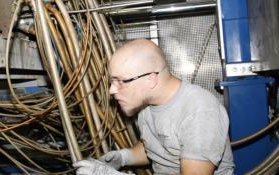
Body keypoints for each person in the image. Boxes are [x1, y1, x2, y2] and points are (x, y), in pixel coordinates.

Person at [73, 39, 234, 175]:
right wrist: (124, 157)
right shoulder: (147, 105)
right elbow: (158, 146)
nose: (111, 90)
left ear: (150, 79)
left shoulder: (200, 110)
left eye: (120, 81)